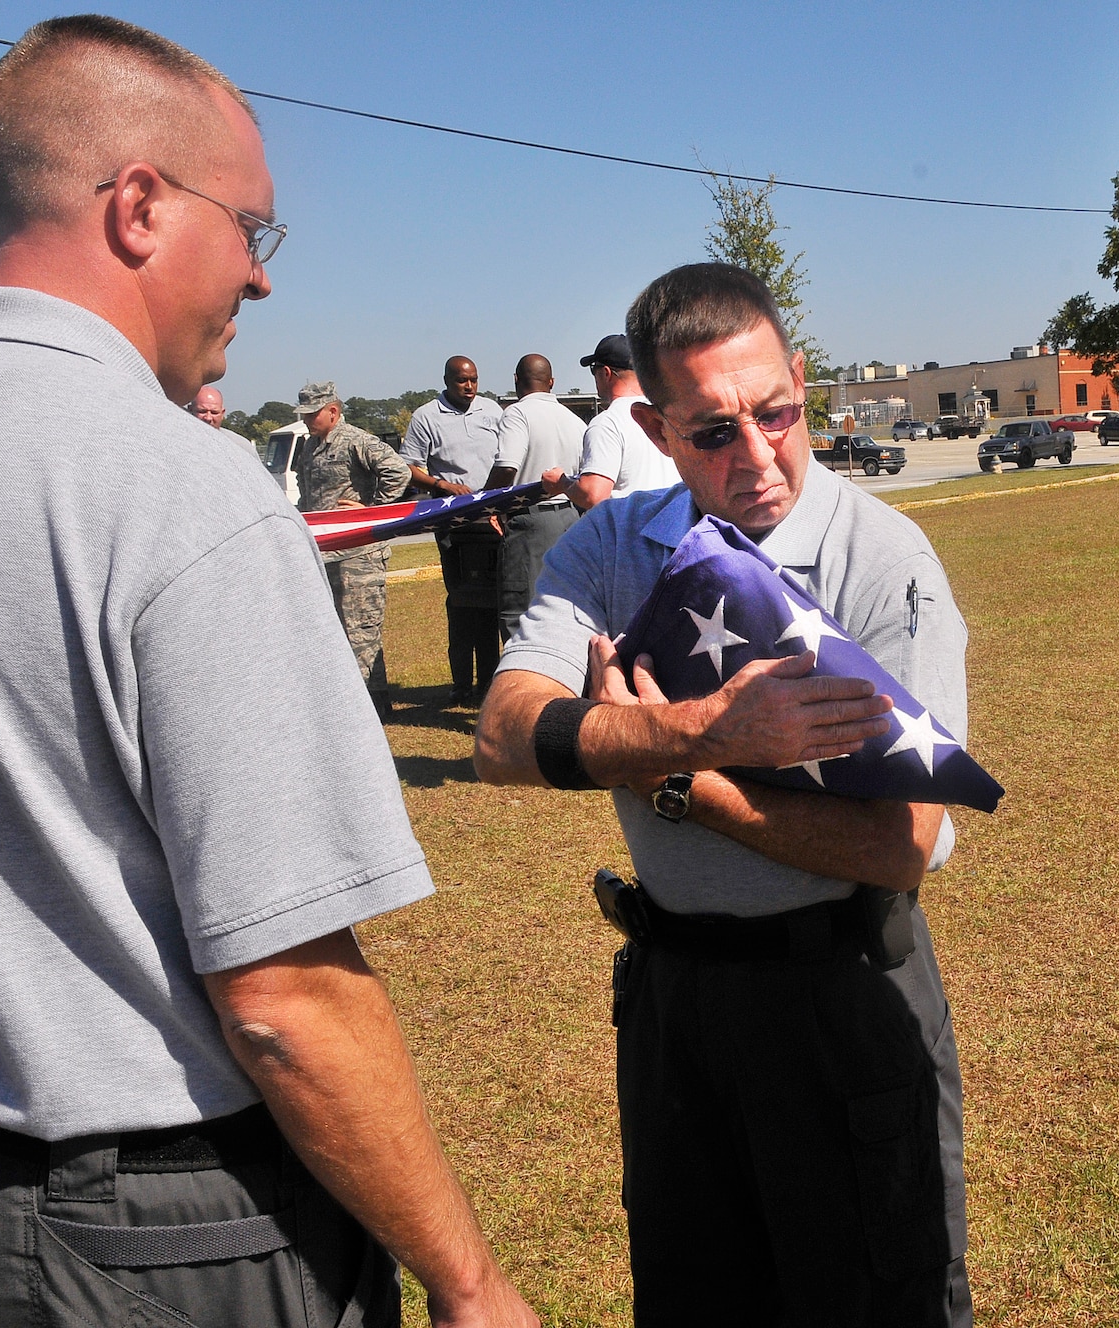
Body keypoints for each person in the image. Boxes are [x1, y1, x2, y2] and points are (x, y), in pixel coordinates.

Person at [0, 16, 536, 1327]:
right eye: (252, 229)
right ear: (142, 206)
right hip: (169, 1236)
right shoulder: (180, 488)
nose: (261, 280)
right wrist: (470, 1279)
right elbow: (282, 999)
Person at [474, 263, 973, 1326]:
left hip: (838, 994)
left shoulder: (878, 557)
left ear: (800, 382)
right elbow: (505, 730)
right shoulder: (612, 545)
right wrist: (697, 729)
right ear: (654, 429)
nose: (757, 457)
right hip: (675, 1003)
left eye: (776, 412)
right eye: (711, 432)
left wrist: (677, 781)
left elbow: (904, 845)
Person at [293, 379, 412, 721]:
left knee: (361, 630)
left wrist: (370, 510)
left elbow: (398, 472)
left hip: (359, 554)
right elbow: (307, 495)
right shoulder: (310, 446)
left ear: (332, 411)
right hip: (326, 552)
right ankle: (353, 701)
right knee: (336, 631)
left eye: (312, 413)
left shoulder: (356, 440)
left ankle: (371, 707)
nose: (306, 420)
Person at [402, 355, 506, 706]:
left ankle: (489, 683)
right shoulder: (426, 416)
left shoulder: (492, 411)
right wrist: (439, 484)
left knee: (491, 605)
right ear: (446, 380)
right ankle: (461, 684)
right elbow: (408, 467)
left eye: (474, 380)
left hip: (490, 522)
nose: (470, 387)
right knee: (462, 605)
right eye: (462, 381)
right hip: (453, 525)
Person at [485, 353, 583, 643]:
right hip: (569, 517)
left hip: (530, 521)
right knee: (563, 606)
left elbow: (507, 466)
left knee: (520, 611)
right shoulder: (573, 419)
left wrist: (488, 503)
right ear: (552, 382)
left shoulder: (517, 413)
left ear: (516, 380)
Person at [541, 333, 679, 511]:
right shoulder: (666, 413)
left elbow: (594, 495)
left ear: (606, 373)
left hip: (634, 530)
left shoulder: (608, 423)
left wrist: (562, 482)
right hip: (674, 524)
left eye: (594, 369)